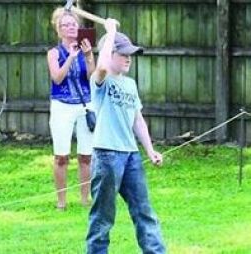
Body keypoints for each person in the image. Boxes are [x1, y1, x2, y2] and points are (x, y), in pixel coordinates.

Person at [86, 18, 166, 253]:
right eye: (123, 54)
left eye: (130, 54)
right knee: (103, 217)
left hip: (131, 156)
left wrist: (150, 151)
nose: (129, 58)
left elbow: (137, 120)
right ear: (109, 54)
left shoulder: (130, 84)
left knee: (144, 211)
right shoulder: (100, 81)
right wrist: (109, 32)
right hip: (107, 155)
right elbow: (100, 67)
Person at [47, 7, 95, 209]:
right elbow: (57, 77)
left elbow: (92, 78)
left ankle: (85, 199)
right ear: (58, 30)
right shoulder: (54, 52)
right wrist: (71, 57)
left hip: (85, 105)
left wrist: (89, 55)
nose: (70, 28)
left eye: (73, 24)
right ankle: (62, 202)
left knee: (86, 156)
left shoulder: (85, 48)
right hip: (62, 106)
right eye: (65, 25)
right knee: (61, 156)